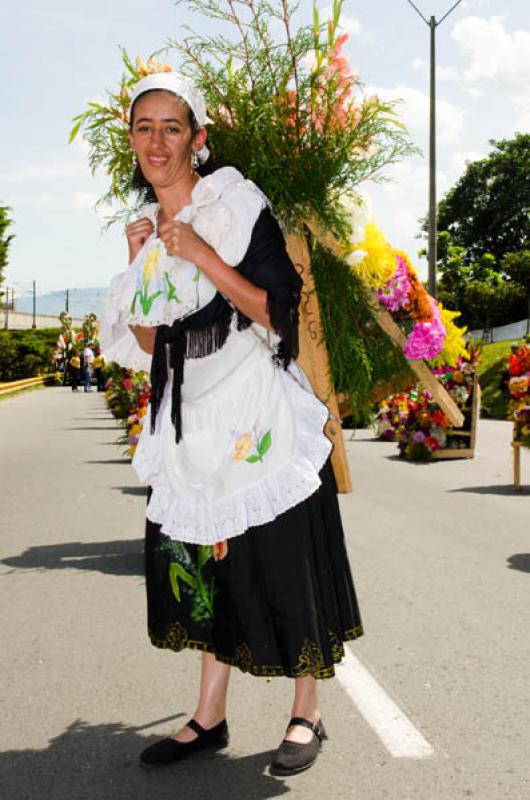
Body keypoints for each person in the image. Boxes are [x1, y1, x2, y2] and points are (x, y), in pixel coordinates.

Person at [100, 72, 363, 776]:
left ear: (199, 140)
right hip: (193, 425)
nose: (157, 141)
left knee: (285, 558)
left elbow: (277, 310)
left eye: (172, 127)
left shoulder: (235, 205)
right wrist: (141, 263)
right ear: (131, 141)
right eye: (143, 128)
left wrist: (203, 255)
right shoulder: (146, 233)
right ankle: (208, 717)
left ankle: (307, 711)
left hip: (256, 410)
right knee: (210, 571)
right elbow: (157, 346)